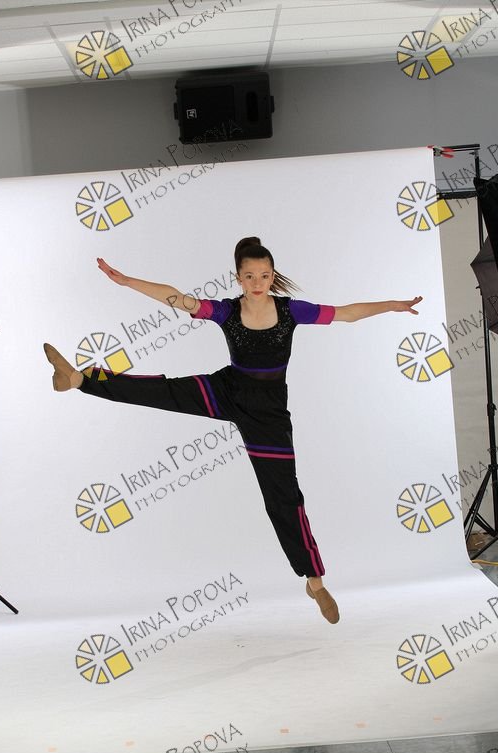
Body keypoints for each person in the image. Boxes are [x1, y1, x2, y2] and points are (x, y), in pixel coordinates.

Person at [44, 237, 422, 624]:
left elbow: (347, 313)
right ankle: (79, 379)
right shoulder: (226, 310)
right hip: (227, 390)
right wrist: (127, 282)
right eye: (250, 276)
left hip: (268, 413)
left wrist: (392, 305)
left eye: (264, 275)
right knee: (164, 391)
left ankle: (315, 580)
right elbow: (178, 299)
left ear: (272, 276)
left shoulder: (292, 311)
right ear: (238, 278)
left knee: (283, 496)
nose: (257, 282)